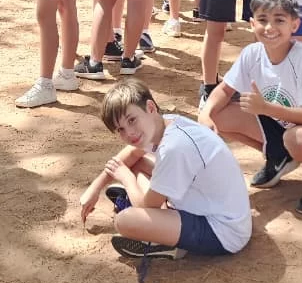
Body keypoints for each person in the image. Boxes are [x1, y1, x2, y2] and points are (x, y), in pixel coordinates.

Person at [199, 0, 302, 216]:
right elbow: (225, 90)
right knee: (217, 115)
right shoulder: (252, 53)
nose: (269, 28)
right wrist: (205, 114)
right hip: (281, 123)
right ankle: (280, 155)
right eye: (262, 20)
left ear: (294, 25)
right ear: (252, 24)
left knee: (297, 139)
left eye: (279, 20)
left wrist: (266, 108)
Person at [79, 81, 252, 263]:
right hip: (217, 210)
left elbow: (145, 208)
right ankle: (162, 219)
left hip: (223, 233)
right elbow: (131, 154)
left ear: (150, 108)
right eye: (121, 129)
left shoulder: (173, 148)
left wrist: (127, 179)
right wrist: (95, 188)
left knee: (124, 221)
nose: (129, 133)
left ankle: (165, 243)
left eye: (131, 120)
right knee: (138, 163)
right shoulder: (166, 122)